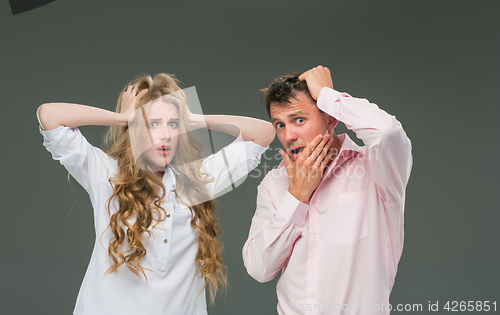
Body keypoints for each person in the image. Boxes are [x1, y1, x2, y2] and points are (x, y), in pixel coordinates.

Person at [37, 73, 275, 315]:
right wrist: (122, 118)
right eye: (153, 123)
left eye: (172, 124)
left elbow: (263, 133)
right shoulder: (106, 173)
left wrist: (193, 119)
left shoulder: (198, 179)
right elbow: (49, 116)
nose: (166, 135)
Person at [243, 66, 412, 315]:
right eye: (279, 125)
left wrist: (328, 95)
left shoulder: (376, 170)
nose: (288, 135)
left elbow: (387, 132)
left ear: (330, 119)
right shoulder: (273, 184)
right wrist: (296, 197)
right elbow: (259, 268)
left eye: (299, 120)